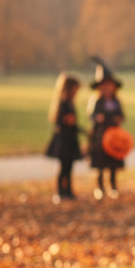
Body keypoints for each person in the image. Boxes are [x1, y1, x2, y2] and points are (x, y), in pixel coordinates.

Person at [86, 58, 126, 199]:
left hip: (114, 135)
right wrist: (97, 118)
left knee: (113, 163)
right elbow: (91, 115)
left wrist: (118, 119)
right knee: (100, 164)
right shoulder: (96, 101)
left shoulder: (116, 101)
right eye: (104, 86)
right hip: (100, 136)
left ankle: (113, 186)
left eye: (109, 85)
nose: (107, 88)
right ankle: (100, 187)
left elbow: (122, 115)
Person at [46, 72, 83, 202]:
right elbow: (61, 122)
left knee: (69, 167)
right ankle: (61, 192)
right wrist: (67, 122)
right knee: (64, 167)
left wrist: (83, 131)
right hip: (64, 141)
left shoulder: (70, 103)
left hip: (70, 140)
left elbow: (74, 124)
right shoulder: (63, 104)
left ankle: (68, 191)